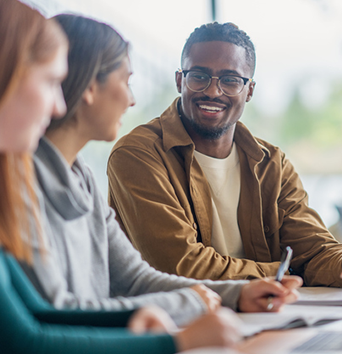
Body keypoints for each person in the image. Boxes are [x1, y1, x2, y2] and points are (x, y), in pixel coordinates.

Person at [0, 0, 242, 354]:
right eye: (51, 82)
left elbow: (35, 314)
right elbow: (14, 342)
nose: (57, 105)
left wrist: (133, 320)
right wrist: (174, 342)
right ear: (2, 77)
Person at [25, 13, 301, 331]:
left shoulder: (82, 177)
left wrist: (237, 292)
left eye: (230, 80)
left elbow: (134, 278)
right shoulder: (21, 181)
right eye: (126, 83)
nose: (132, 100)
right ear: (89, 87)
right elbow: (60, 315)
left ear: (248, 90)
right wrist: (196, 303)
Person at [107, 22, 342, 287]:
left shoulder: (272, 164)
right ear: (179, 80)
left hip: (268, 316)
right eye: (198, 76)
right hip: (176, 321)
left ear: (249, 90)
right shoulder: (138, 154)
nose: (212, 91)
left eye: (230, 80)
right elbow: (181, 266)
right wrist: (283, 274)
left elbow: (316, 252)